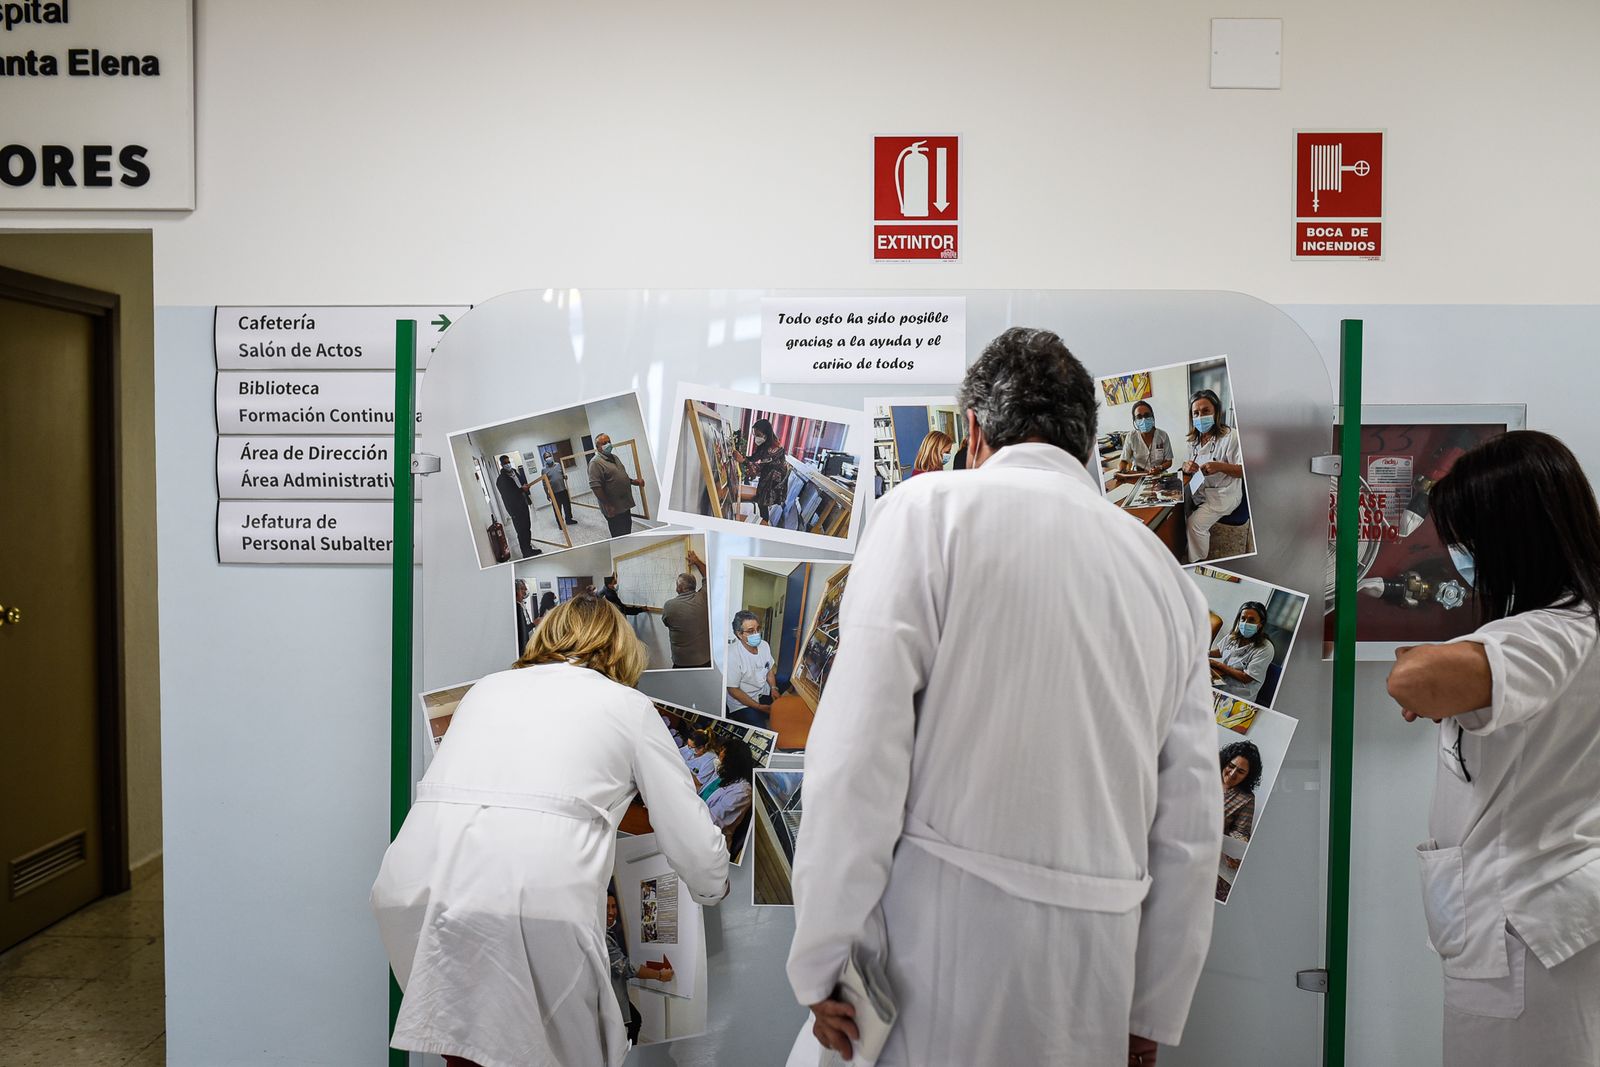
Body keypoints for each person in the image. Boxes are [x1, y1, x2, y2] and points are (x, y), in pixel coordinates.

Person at [787, 327, 1221, 1067]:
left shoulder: (928, 514)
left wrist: (821, 957)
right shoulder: (1165, 578)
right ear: (1086, 446)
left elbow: (856, 757)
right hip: (1092, 981)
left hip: (936, 967)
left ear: (976, 430)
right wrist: (1153, 1006)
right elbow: (1190, 824)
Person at [371, 593, 730, 1067]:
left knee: (465, 1052)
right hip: (532, 901)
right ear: (623, 648)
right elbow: (692, 839)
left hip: (413, 887)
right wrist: (713, 887)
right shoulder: (628, 706)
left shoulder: (486, 690)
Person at [1383, 431, 1600, 1066]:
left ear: (1509, 536)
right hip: (1540, 921)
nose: (1457, 559)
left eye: (1464, 541)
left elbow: (1412, 678)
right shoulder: (1577, 625)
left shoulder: (1548, 634)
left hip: (1520, 930)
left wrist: (1426, 674)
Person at [1179, 389, 1244, 563]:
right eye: (1196, 413)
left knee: (1195, 524)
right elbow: (1188, 464)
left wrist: (1220, 467)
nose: (1200, 416)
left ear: (1216, 412)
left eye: (1206, 411)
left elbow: (1243, 471)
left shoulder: (1231, 437)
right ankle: (1184, 541)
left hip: (1224, 494)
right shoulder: (1192, 440)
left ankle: (1198, 561)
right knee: (1177, 505)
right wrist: (1186, 466)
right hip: (1200, 490)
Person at [606, 884, 671, 1047]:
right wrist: (659, 975)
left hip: (612, 996)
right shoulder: (602, 938)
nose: (612, 912)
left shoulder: (605, 933)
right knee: (632, 1023)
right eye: (606, 907)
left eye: (614, 906)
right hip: (609, 999)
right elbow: (626, 968)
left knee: (634, 1021)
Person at [1216, 740, 1261, 902]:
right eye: (1231, 766)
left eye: (1241, 771)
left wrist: (1236, 852)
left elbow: (1240, 831)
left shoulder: (1246, 798)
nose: (1233, 773)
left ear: (1248, 776)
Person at [1209, 602, 1275, 703]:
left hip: (1239, 696)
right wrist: (1205, 653)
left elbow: (1246, 678)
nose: (1245, 623)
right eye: (1243, 619)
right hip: (1222, 682)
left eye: (1251, 620)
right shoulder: (1233, 637)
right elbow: (1221, 651)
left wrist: (1217, 664)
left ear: (1260, 624)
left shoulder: (1266, 648)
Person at [660, 547, 711, 668]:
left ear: (680, 588)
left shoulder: (669, 605)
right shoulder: (703, 597)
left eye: (677, 585)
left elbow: (666, 623)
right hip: (705, 662)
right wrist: (697, 561)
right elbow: (708, 577)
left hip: (681, 663)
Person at [725, 610, 777, 729]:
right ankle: (758, 712)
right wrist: (758, 707)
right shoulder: (732, 654)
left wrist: (774, 688)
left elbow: (769, 670)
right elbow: (733, 690)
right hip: (741, 702)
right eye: (750, 631)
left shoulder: (764, 645)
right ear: (739, 634)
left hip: (761, 691)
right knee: (761, 731)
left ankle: (762, 711)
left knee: (785, 681)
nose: (757, 634)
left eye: (758, 629)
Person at [589, 433, 646, 539]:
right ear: (597, 447)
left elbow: (620, 476)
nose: (608, 444)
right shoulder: (595, 463)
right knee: (618, 534)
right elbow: (595, 487)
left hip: (624, 504)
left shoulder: (614, 457)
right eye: (604, 443)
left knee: (627, 529)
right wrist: (607, 505)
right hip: (613, 508)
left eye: (609, 441)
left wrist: (634, 482)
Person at [734, 418, 789, 523]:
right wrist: (743, 457)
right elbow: (753, 458)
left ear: (766, 433)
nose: (756, 438)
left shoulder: (774, 447)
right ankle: (763, 521)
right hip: (767, 476)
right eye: (755, 435)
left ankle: (764, 524)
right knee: (761, 502)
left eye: (758, 435)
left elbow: (759, 466)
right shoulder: (764, 445)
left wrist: (742, 460)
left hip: (774, 480)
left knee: (763, 503)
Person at [706, 740, 756, 854]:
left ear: (732, 761)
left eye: (723, 755)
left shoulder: (742, 791)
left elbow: (714, 821)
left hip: (710, 841)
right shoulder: (724, 775)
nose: (719, 757)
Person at [495, 454, 541, 559]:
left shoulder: (514, 472)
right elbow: (509, 495)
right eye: (505, 463)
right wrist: (521, 490)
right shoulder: (501, 479)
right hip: (515, 509)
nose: (507, 464)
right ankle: (525, 552)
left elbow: (521, 482)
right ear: (501, 465)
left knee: (527, 528)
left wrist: (525, 488)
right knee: (521, 530)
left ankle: (528, 548)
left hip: (523, 504)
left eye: (508, 462)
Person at [1118, 400, 1174, 476]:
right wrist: (1121, 472)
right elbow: (1124, 461)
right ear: (1135, 420)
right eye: (1139, 417)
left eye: (1147, 415)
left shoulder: (1163, 435)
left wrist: (1159, 468)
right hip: (1138, 475)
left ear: (1152, 416)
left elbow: (1169, 461)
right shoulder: (1131, 436)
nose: (1143, 419)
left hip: (1159, 475)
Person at [542, 451, 577, 526]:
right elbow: (544, 484)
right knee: (557, 509)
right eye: (546, 457)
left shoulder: (558, 465)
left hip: (563, 490)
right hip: (554, 493)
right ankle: (560, 524)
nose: (548, 458)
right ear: (544, 459)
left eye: (549, 456)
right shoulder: (544, 470)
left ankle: (569, 520)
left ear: (551, 456)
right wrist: (547, 494)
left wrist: (564, 477)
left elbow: (561, 474)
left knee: (567, 506)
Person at [514, 579, 535, 656]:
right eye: (522, 589)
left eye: (525, 589)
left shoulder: (521, 605)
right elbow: (522, 630)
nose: (524, 592)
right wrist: (534, 624)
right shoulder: (517, 608)